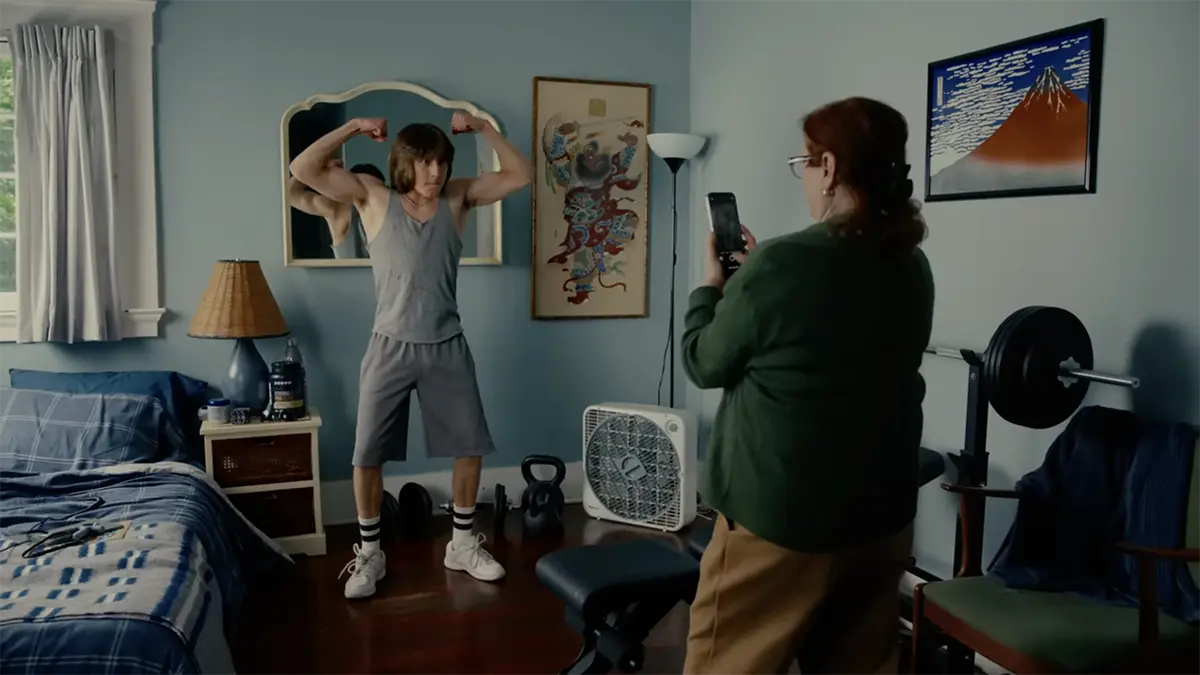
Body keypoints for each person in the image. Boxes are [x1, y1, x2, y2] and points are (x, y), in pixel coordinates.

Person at [680, 96, 935, 675]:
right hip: (881, 512)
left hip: (783, 516)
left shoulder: (780, 264)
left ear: (830, 168)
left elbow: (702, 362)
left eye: (805, 163)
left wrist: (713, 288)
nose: (804, 178)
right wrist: (755, 281)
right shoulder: (911, 264)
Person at [289, 112, 533, 600]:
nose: (435, 172)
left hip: (447, 344)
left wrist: (484, 129)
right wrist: (353, 129)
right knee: (367, 454)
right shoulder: (372, 197)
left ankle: (461, 545)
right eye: (424, 162)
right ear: (404, 162)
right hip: (389, 346)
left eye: (441, 162)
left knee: (469, 446)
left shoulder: (458, 198)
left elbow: (521, 175)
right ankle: (370, 553)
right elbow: (303, 169)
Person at [286, 160, 384, 259]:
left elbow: (289, 193)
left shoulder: (337, 210)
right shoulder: (337, 209)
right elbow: (289, 194)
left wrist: (315, 169)